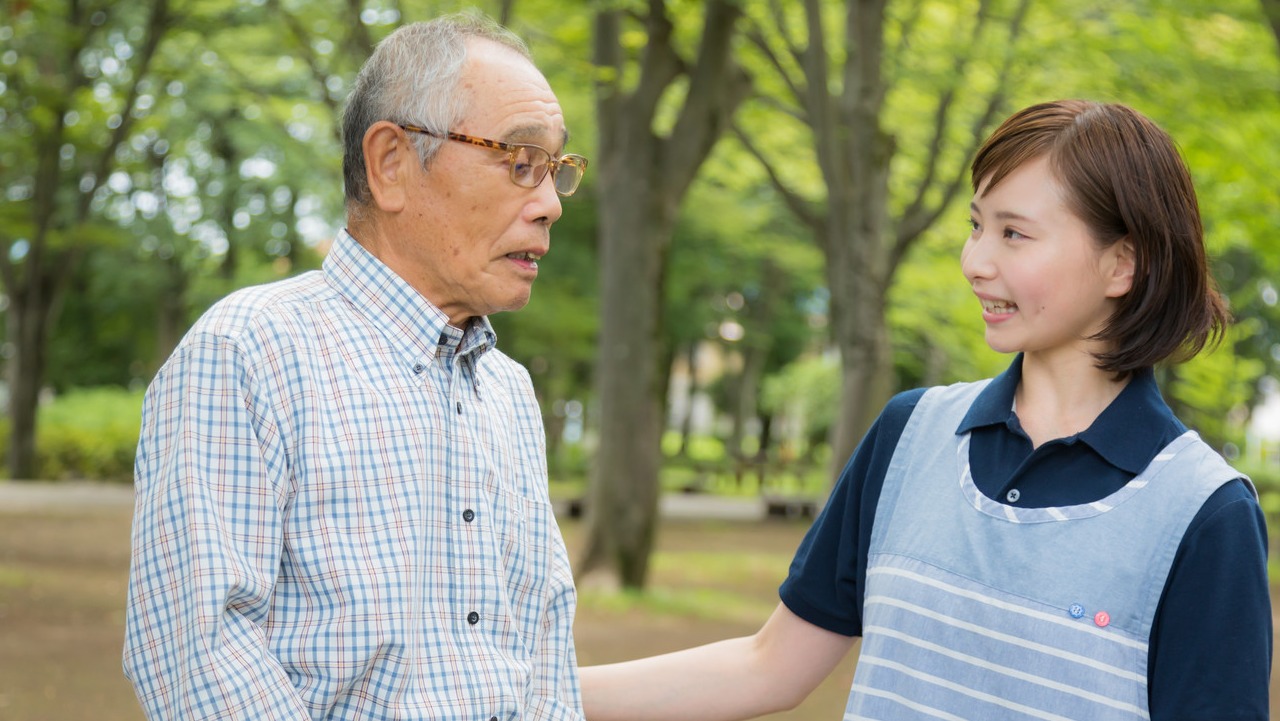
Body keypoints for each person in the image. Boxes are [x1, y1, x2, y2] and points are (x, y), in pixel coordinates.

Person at [580, 99, 1271, 720]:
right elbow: (770, 666)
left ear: (1124, 265)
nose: (974, 260)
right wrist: (533, 694)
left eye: (1014, 234)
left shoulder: (1205, 513)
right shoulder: (910, 434)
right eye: (977, 225)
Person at [123, 14, 589, 720]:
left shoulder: (509, 391)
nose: (550, 203)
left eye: (557, 170)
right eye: (520, 160)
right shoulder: (250, 351)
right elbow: (199, 653)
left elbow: (546, 651)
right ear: (391, 163)